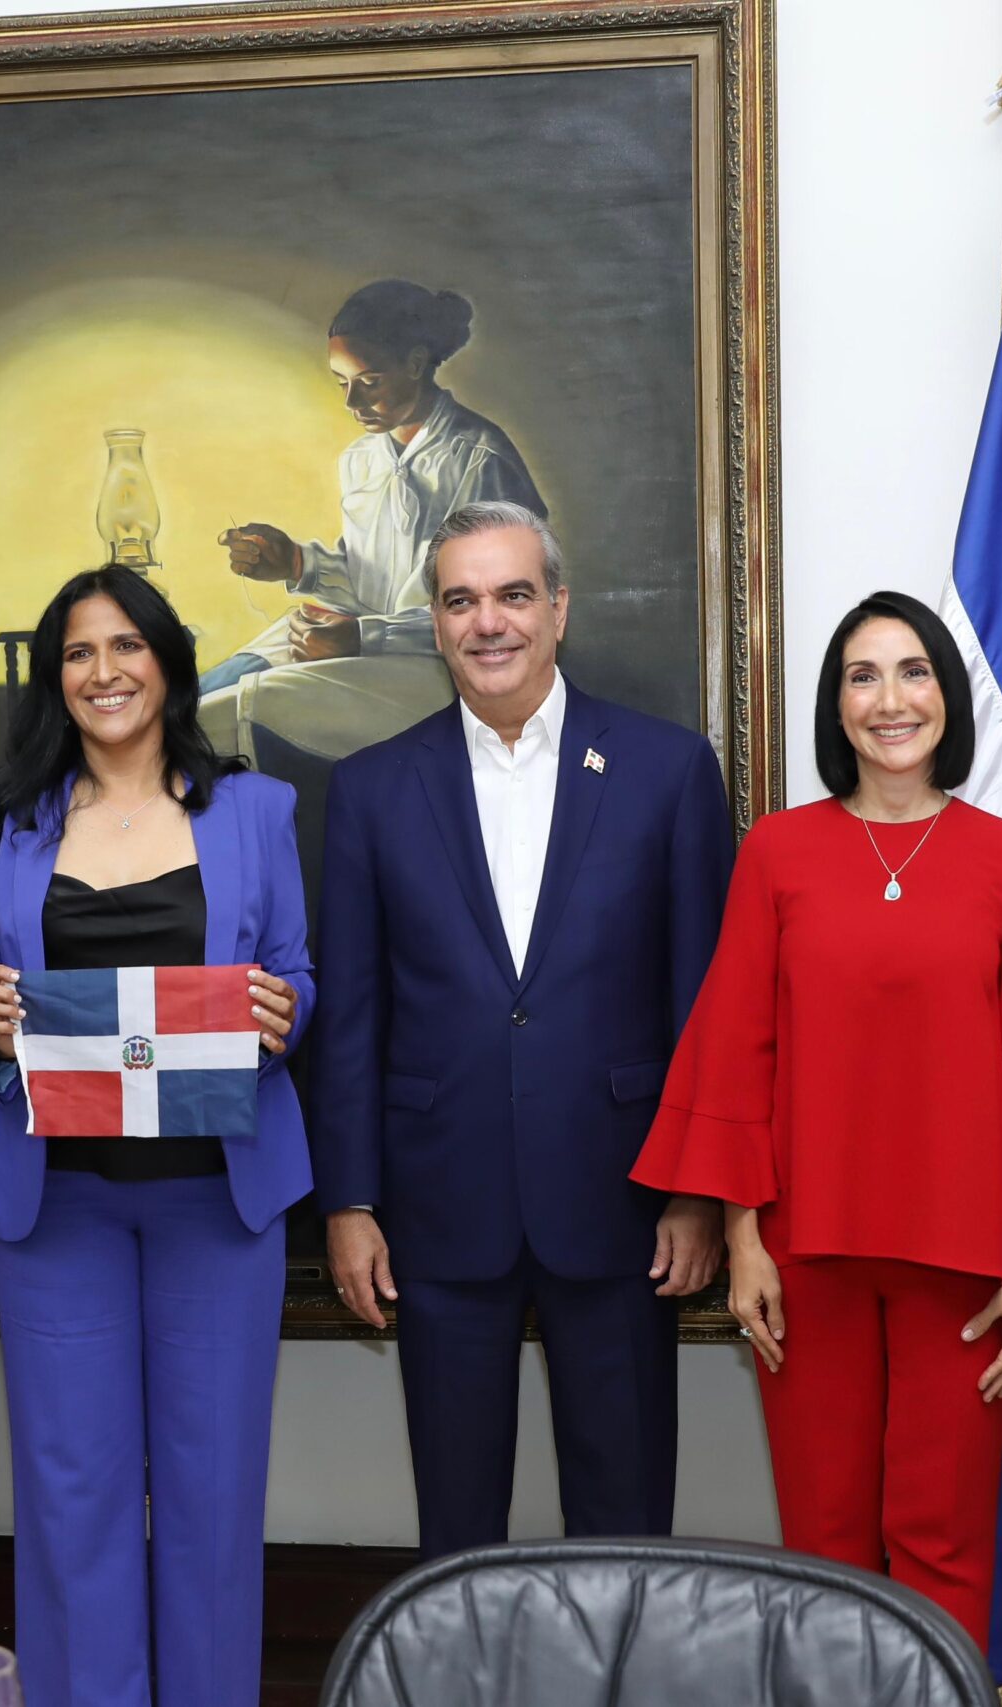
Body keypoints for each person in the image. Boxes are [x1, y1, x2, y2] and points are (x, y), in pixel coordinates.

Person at [629, 591, 1002, 1647]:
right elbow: (737, 1051)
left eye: (913, 671)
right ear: (835, 710)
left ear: (947, 696)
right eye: (862, 675)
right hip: (804, 1254)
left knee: (944, 1544)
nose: (891, 698)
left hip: (969, 1259)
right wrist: (743, 1239)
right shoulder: (779, 853)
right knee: (825, 1544)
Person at [310, 500, 732, 1559]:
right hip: (436, 1210)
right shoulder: (368, 789)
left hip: (624, 1204)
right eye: (459, 600)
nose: (486, 622)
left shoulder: (665, 771)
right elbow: (351, 1014)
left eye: (510, 595)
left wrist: (696, 1191)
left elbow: (703, 1004)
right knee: (456, 1530)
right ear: (436, 620)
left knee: (624, 1521)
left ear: (557, 609)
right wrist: (349, 1201)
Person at [0, 568, 312, 1707]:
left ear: (166, 661)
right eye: (76, 652)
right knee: (72, 1496)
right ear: (54, 678)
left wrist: (285, 1011)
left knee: (213, 1496)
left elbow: (299, 976)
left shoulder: (257, 811)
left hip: (218, 1200)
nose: (102, 671)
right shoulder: (5, 822)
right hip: (58, 1207)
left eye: (125, 646)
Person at [198, 278, 547, 765]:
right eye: (342, 384)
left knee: (235, 707)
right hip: (366, 648)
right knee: (209, 685)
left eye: (368, 382)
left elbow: (500, 614)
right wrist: (295, 563)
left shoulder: (479, 460)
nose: (351, 403)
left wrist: (364, 637)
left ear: (416, 363)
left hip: (438, 674)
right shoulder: (360, 460)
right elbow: (368, 578)